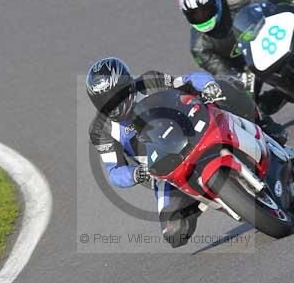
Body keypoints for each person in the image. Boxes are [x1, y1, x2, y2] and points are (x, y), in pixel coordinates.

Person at [86, 57, 281, 248]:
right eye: (105, 103)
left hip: (195, 132)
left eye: (117, 97)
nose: (114, 106)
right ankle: (218, 199)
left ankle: (264, 125)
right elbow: (114, 171)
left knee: (226, 86)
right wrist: (135, 174)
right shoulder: (100, 130)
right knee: (174, 234)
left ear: (129, 85)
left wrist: (208, 85)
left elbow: (187, 80)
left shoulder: (149, 81)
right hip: (165, 171)